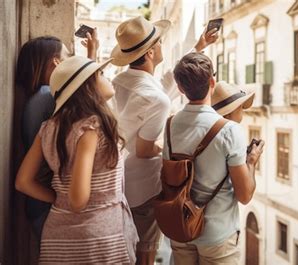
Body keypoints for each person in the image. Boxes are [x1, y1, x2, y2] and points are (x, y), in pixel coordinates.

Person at [110, 16, 218, 264]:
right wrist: (172, 152)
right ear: (149, 53)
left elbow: (163, 85)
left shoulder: (120, 82)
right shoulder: (155, 99)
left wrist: (198, 48)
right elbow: (145, 149)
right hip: (144, 189)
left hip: (121, 180)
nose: (162, 45)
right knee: (144, 254)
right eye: (159, 42)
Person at [15, 56, 138, 264]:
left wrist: (57, 198)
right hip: (97, 237)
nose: (105, 77)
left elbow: (23, 182)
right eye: (100, 74)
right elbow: (78, 201)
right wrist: (69, 198)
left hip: (57, 236)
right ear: (87, 87)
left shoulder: (48, 127)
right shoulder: (91, 129)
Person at [165, 52, 264, 264]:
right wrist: (252, 162)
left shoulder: (169, 125)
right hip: (216, 235)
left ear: (180, 88)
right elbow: (245, 195)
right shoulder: (230, 131)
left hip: (180, 227)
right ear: (212, 82)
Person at [14, 32, 99, 242]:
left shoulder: (39, 96)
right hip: (46, 202)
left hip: (40, 203)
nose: (72, 60)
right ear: (56, 62)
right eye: (69, 55)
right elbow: (94, 95)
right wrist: (60, 199)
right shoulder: (47, 97)